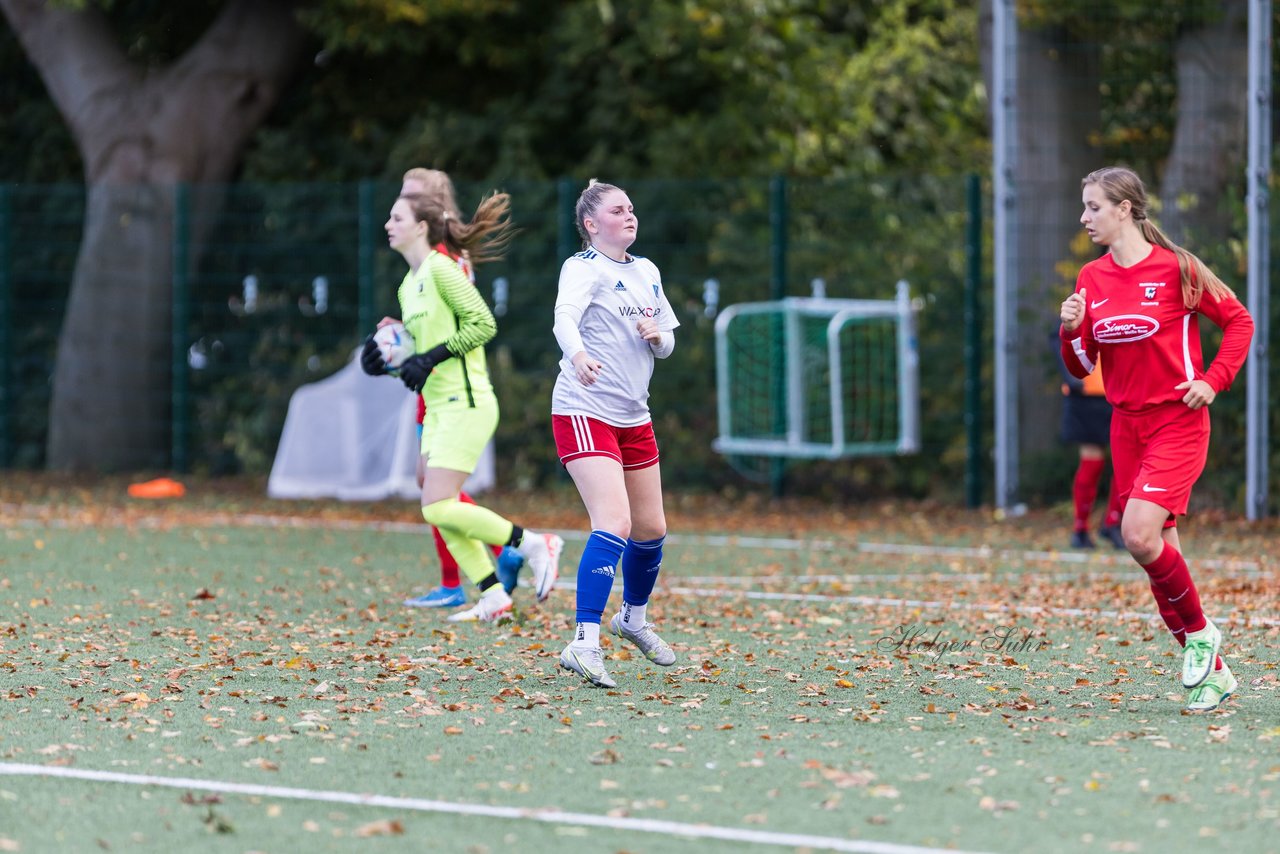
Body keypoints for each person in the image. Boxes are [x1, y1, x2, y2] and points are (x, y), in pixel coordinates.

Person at [1059, 166, 1253, 712]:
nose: (1084, 217)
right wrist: (1071, 329)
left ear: (1124, 209)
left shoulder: (1178, 269)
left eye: (1093, 206)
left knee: (1138, 535)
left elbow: (1239, 322)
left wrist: (1212, 381)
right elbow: (1079, 368)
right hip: (1126, 426)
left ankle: (1200, 635)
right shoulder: (1090, 279)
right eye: (1084, 205)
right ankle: (1212, 674)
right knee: (1160, 553)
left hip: (1177, 420)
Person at [361, 177, 562, 622]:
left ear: (421, 227)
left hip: (467, 404)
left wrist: (429, 356)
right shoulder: (407, 285)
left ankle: (532, 543)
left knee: (436, 504)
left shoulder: (441, 269)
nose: (388, 225)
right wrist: (384, 362)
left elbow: (483, 324)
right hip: (437, 407)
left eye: (397, 218)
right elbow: (415, 354)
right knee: (439, 508)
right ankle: (492, 594)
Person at [551, 180, 679, 688]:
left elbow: (665, 342)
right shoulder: (582, 268)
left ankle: (633, 619)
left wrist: (658, 337)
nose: (630, 216)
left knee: (651, 529)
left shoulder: (646, 271)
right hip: (584, 410)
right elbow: (564, 317)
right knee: (615, 521)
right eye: (617, 210)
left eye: (632, 208)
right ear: (591, 223)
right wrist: (578, 355)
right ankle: (583, 642)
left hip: (634, 416)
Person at [395, 168, 523, 608]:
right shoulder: (421, 268)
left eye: (409, 200)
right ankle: (482, 578)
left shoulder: (441, 260)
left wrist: (425, 354)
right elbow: (427, 322)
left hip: (453, 389)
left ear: (428, 212)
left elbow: (473, 322)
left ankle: (506, 549)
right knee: (431, 487)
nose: (399, 210)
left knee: (435, 491)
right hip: (434, 387)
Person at [1054, 342, 1124, 550]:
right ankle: (1080, 529)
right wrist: (1072, 377)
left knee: (1129, 460)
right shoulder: (1078, 310)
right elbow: (1059, 336)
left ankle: (1113, 522)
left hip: (1121, 390)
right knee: (1092, 460)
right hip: (1085, 395)